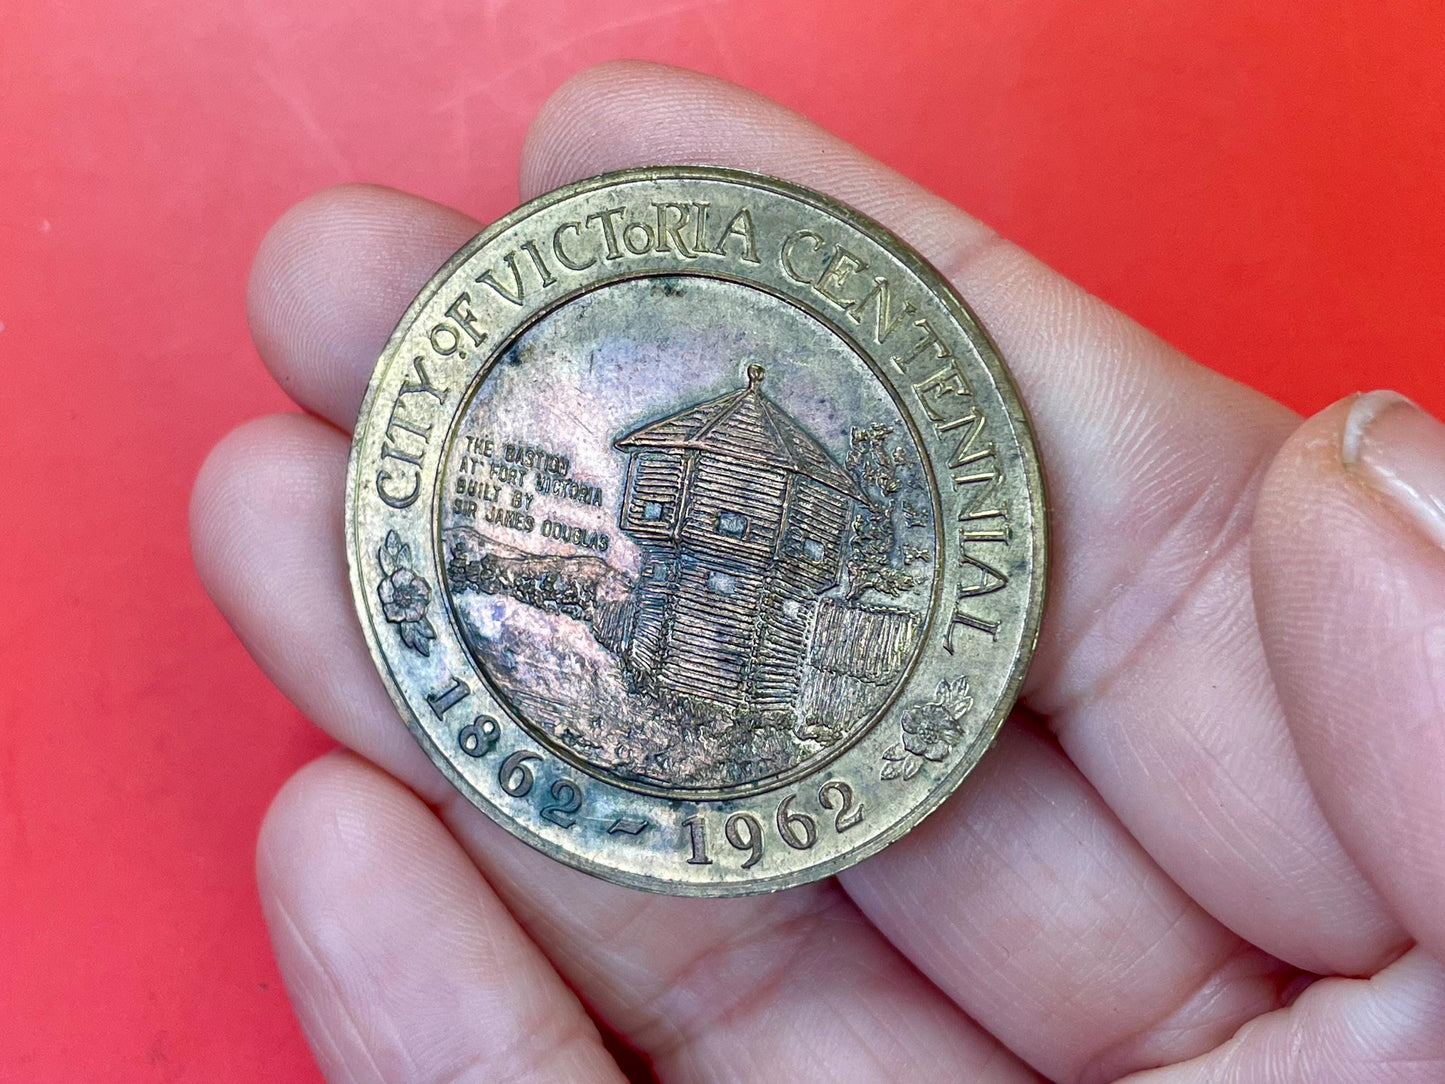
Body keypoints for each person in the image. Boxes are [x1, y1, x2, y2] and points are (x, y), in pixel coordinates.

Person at [190, 61, 1445, 1081]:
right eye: (692, 483)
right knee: (684, 638)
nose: (704, 497)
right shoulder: (696, 522)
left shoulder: (745, 537)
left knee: (705, 644)